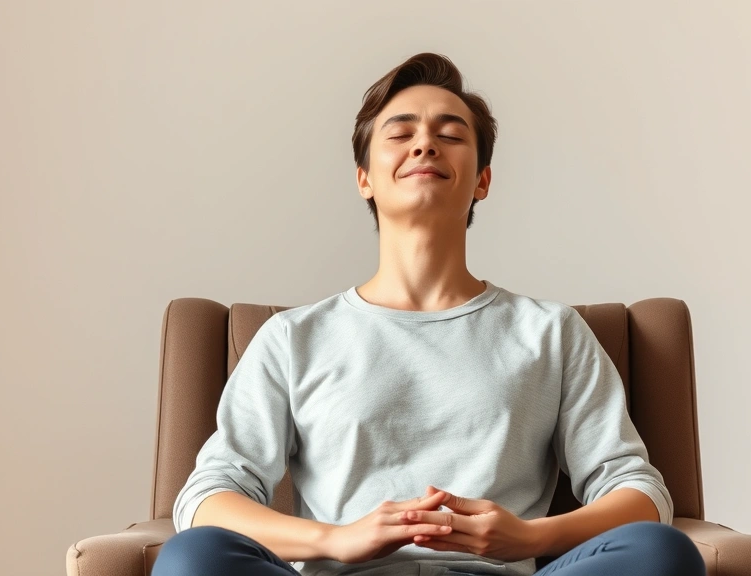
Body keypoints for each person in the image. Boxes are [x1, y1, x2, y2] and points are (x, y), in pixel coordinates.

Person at [152, 53, 705, 576]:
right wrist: (336, 538)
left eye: (449, 135)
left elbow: (640, 492)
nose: (424, 146)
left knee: (659, 552)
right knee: (192, 558)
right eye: (400, 134)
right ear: (364, 177)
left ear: (482, 181)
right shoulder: (292, 339)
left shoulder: (552, 333)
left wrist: (528, 538)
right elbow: (206, 499)